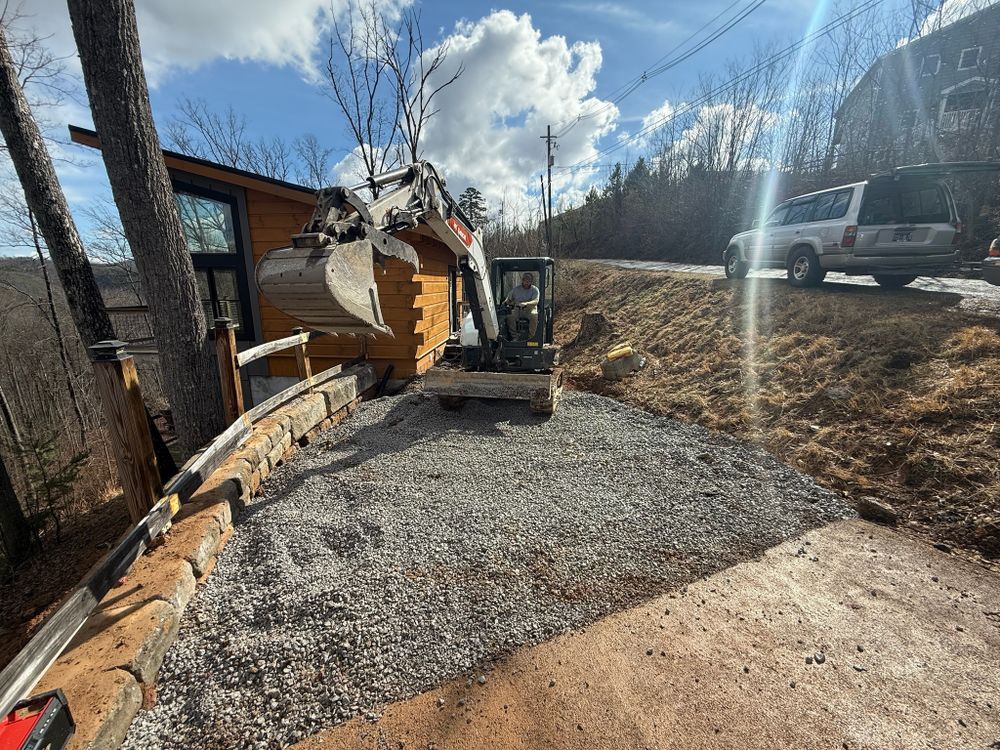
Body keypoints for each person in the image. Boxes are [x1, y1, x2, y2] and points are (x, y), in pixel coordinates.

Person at [503, 272, 539, 340]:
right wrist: (506, 302)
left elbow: (536, 301)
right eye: (525, 280)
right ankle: (514, 336)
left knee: (534, 316)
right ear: (522, 280)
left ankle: (531, 338)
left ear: (531, 281)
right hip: (517, 309)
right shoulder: (516, 290)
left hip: (530, 309)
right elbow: (508, 299)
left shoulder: (535, 290)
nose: (527, 281)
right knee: (510, 316)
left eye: (529, 280)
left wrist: (526, 303)